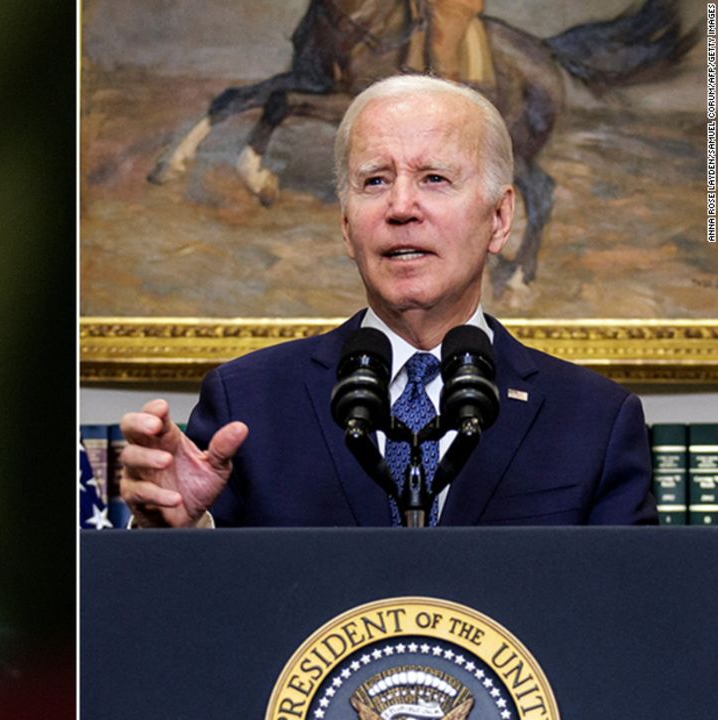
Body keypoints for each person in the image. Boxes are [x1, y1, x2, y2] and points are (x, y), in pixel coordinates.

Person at [119, 75, 655, 529]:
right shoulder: (247, 403)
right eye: (375, 181)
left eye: (434, 179)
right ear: (347, 226)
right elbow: (196, 621)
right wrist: (181, 533)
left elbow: (629, 626)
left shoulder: (595, 421)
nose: (401, 207)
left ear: (499, 219)